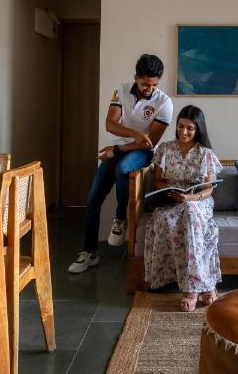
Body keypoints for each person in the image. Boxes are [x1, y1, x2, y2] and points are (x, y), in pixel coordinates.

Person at [68, 54, 173, 274]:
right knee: (93, 199)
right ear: (136, 78)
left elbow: (150, 142)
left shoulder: (164, 102)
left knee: (123, 167)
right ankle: (89, 252)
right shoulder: (122, 90)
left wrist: (116, 149)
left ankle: (120, 217)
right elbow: (110, 124)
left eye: (154, 85)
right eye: (145, 84)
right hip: (123, 146)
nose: (149, 89)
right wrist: (135, 133)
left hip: (142, 152)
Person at [144, 105, 222, 311]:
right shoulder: (165, 149)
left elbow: (209, 188)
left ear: (198, 129)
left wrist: (190, 198)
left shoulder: (206, 154)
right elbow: (157, 181)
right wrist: (172, 191)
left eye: (190, 128)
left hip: (199, 202)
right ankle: (207, 286)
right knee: (176, 218)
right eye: (180, 126)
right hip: (172, 201)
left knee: (191, 211)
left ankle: (192, 290)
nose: (184, 132)